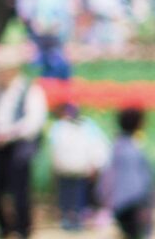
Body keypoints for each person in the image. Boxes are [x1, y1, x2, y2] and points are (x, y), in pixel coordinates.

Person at [0, 63, 47, 239]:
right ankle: (5, 227)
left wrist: (9, 134)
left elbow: (33, 122)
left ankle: (23, 230)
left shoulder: (29, 90)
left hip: (18, 145)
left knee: (20, 191)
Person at [98, 106, 155, 239]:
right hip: (134, 200)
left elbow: (107, 175)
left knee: (128, 236)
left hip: (119, 200)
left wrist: (104, 196)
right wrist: (147, 201)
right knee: (133, 238)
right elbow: (143, 178)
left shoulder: (116, 147)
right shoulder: (133, 148)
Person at [46, 99, 109, 231]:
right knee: (78, 195)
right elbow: (95, 147)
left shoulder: (59, 127)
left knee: (67, 195)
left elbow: (54, 149)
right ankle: (77, 219)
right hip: (81, 167)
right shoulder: (86, 125)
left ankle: (68, 219)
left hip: (65, 168)